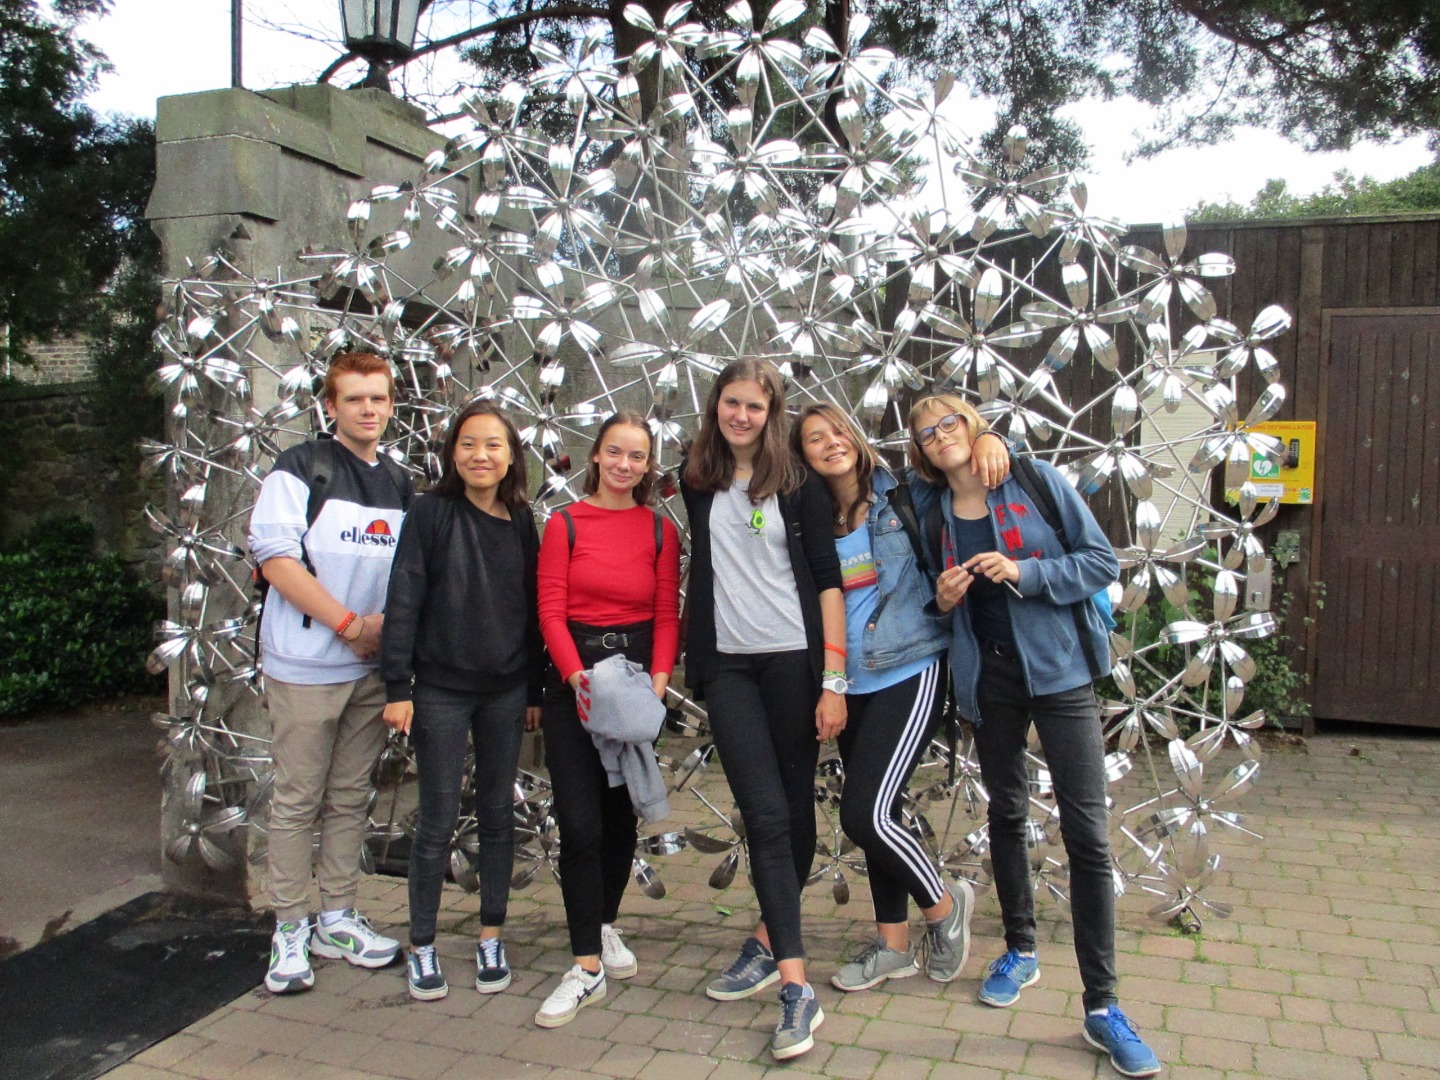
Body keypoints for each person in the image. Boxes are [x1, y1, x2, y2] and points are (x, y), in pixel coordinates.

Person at [909, 394, 1160, 1079]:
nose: (940, 437)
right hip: (988, 680)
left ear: (974, 424)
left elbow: (1101, 562)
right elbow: (931, 592)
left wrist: (1028, 572)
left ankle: (1104, 1005)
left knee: (1088, 833)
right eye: (926, 433)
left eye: (950, 422)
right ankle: (1020, 949)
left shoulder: (1034, 481)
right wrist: (946, 596)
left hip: (1060, 674)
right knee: (1006, 813)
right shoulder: (930, 510)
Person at [792, 402, 1007, 993]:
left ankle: (943, 907)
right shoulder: (810, 515)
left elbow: (963, 470)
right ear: (802, 454)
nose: (831, 443)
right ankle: (892, 944)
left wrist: (990, 439)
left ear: (857, 437)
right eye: (815, 439)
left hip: (909, 667)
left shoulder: (906, 492)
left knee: (864, 809)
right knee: (874, 817)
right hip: (847, 681)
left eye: (838, 430)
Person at [680, 359, 845, 1062]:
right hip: (727, 667)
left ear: (773, 411)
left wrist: (833, 680)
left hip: (793, 664)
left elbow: (828, 582)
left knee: (795, 811)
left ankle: (768, 938)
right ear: (716, 405)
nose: (741, 415)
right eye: (731, 402)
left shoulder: (800, 484)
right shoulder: (699, 478)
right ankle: (796, 988)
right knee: (766, 814)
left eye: (755, 405)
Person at [248, 351, 412, 994]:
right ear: (331, 407)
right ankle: (289, 924)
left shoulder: (400, 483)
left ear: (391, 406)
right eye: (354, 399)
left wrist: (386, 639)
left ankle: (336, 917)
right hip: (305, 666)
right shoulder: (299, 469)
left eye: (377, 399)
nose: (367, 409)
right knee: (296, 799)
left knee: (350, 797)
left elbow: (408, 575)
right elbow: (277, 563)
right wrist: (349, 626)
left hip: (370, 672)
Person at [379, 400, 544, 1001]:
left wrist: (533, 688)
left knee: (500, 817)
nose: (481, 455)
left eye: (494, 445)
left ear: (511, 456)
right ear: (453, 452)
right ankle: (421, 945)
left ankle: (490, 934)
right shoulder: (429, 513)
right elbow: (404, 597)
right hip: (441, 690)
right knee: (437, 820)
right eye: (469, 443)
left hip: (504, 692)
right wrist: (398, 686)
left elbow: (529, 607)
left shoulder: (522, 518)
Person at [533, 412, 681, 1028]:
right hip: (578, 682)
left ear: (648, 466)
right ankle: (585, 964)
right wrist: (576, 681)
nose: (625, 465)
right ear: (595, 456)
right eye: (615, 453)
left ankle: (605, 923)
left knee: (623, 821)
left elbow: (668, 613)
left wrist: (658, 684)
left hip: (636, 684)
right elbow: (550, 610)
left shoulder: (658, 530)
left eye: (638, 457)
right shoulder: (564, 524)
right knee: (581, 823)